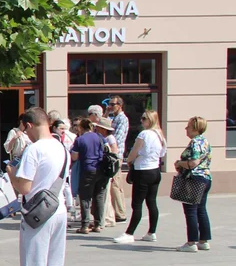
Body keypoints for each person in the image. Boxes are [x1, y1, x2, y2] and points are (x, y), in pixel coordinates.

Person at [7, 108, 70, 266]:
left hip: (37, 213)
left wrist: (12, 174)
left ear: (29, 125)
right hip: (58, 208)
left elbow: (24, 187)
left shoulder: (34, 149)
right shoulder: (60, 146)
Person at [114, 109, 167, 244]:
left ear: (151, 120)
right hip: (155, 170)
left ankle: (129, 233)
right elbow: (162, 154)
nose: (141, 120)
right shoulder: (160, 134)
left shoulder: (144, 134)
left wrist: (130, 160)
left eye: (144, 118)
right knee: (151, 202)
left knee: (137, 204)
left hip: (142, 170)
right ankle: (152, 232)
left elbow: (133, 152)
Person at [175, 116, 213, 252]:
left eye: (188, 126)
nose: (186, 129)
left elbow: (193, 162)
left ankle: (191, 243)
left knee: (190, 211)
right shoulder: (205, 141)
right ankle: (204, 240)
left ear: (196, 128)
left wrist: (180, 163)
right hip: (206, 178)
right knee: (201, 209)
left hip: (194, 178)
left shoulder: (195, 142)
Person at [71, 118, 107, 234]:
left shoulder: (80, 140)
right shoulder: (100, 137)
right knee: (99, 196)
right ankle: (98, 224)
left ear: (81, 128)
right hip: (101, 169)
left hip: (87, 169)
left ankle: (85, 225)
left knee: (85, 197)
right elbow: (108, 149)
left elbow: (74, 157)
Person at [105, 96, 131, 226]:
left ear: (120, 105)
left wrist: (108, 142)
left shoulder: (122, 119)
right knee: (113, 184)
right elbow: (103, 125)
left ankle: (120, 213)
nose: (110, 106)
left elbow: (118, 138)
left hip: (116, 155)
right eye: (109, 104)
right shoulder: (112, 118)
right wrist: (106, 113)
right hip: (111, 155)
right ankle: (116, 211)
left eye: (112, 104)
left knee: (116, 184)